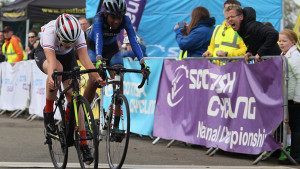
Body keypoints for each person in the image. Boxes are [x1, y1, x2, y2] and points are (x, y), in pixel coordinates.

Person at [34, 13, 104, 162]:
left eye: (71, 42)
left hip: (67, 57)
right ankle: (48, 113)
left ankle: (83, 142)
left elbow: (84, 58)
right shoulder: (49, 32)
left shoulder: (78, 31)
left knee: (75, 94)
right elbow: (52, 61)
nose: (68, 44)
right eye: (65, 41)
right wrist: (52, 77)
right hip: (47, 55)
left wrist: (96, 76)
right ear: (58, 34)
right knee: (57, 72)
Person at [84, 0, 148, 131]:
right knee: (94, 79)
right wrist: (99, 59)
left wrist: (142, 63)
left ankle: (116, 124)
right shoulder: (98, 19)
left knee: (119, 79)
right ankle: (83, 116)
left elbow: (133, 41)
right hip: (94, 47)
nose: (117, 21)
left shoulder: (125, 20)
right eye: (113, 17)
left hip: (112, 49)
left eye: (119, 17)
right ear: (106, 14)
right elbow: (98, 39)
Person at [278, 29, 300, 164]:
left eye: (284, 41)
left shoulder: (295, 57)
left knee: (296, 126)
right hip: (288, 96)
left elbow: (299, 77)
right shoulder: (284, 55)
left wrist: (298, 97)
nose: (281, 43)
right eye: (279, 41)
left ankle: (296, 157)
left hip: (294, 98)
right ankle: (293, 154)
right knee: (292, 125)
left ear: (293, 42)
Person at [202, 0, 247, 65]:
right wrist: (209, 52)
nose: (228, 11)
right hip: (216, 69)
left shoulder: (241, 29)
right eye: (226, 8)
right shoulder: (217, 28)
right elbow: (212, 46)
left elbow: (245, 50)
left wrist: (227, 54)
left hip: (234, 69)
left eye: (231, 9)